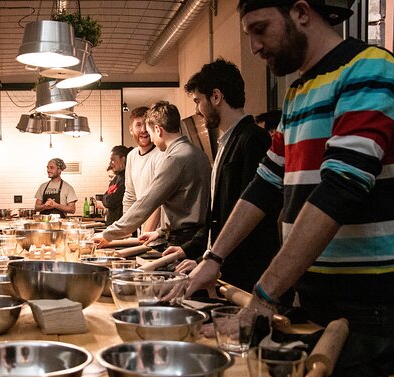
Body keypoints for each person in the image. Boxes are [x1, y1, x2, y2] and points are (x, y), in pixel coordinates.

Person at [187, 0, 394, 337]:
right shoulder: (297, 92)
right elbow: (264, 183)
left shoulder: (368, 68)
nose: (254, 47)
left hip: (368, 301)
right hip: (312, 292)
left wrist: (264, 295)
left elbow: (342, 186)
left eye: (260, 30)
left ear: (301, 12)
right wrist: (214, 258)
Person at [153, 59, 280, 292]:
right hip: (222, 266)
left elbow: (248, 214)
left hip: (246, 274)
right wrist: (196, 253)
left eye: (198, 101)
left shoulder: (253, 139)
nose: (197, 111)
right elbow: (218, 219)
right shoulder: (225, 142)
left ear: (216, 97)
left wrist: (214, 260)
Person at [95, 101, 211, 248]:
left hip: (184, 239)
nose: (153, 140)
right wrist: (161, 232)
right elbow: (189, 204)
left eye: (150, 133)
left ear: (158, 130)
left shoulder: (175, 158)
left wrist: (108, 234)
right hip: (195, 236)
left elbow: (149, 201)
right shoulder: (196, 153)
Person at [123, 107, 165, 235]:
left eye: (147, 124)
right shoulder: (131, 156)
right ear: (131, 129)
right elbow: (130, 196)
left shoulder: (161, 154)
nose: (143, 130)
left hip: (158, 233)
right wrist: (125, 231)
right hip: (142, 233)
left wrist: (146, 233)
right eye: (138, 125)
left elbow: (159, 200)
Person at [102, 145, 132, 225]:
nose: (110, 163)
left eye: (113, 160)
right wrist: (106, 198)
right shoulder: (116, 178)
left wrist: (106, 198)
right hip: (111, 224)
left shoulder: (127, 178)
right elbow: (105, 198)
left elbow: (111, 201)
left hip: (122, 225)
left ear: (123, 159)